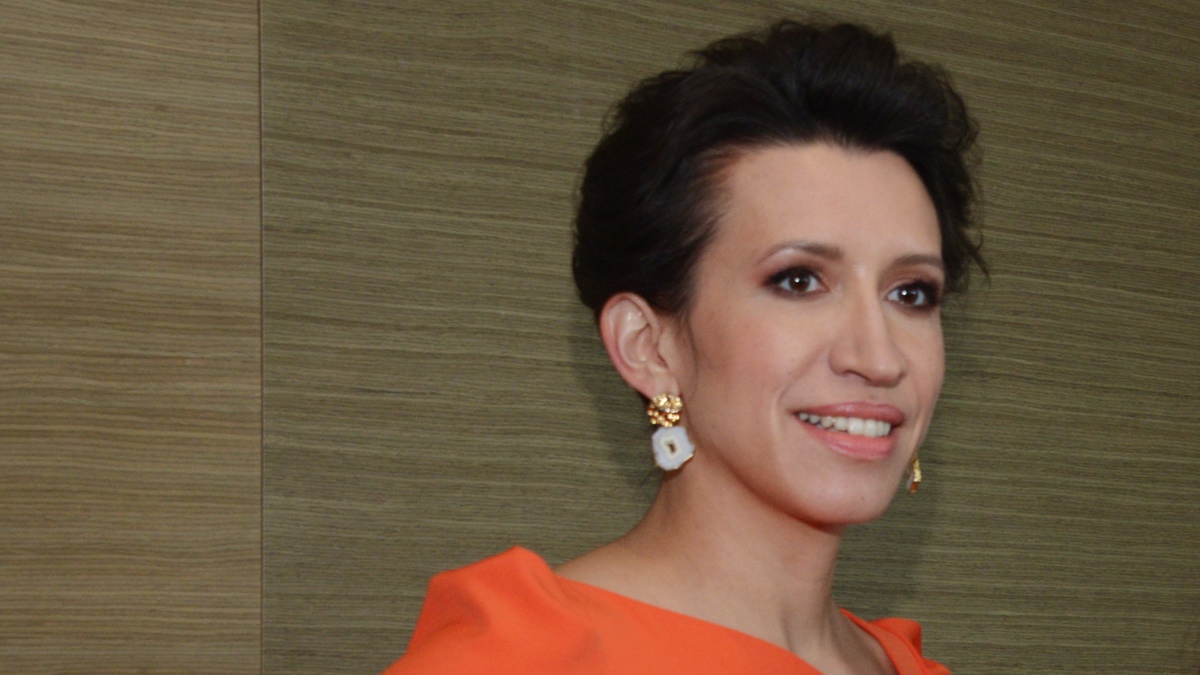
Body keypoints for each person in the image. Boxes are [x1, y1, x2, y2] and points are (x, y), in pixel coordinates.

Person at [382, 18, 982, 675]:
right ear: (647, 345)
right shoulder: (524, 660)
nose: (880, 357)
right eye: (798, 281)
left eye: (912, 293)